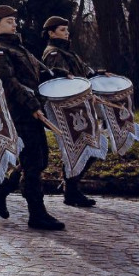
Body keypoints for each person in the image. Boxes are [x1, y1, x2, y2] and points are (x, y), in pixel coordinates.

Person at [0, 5, 68, 231]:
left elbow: (42, 72)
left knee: (38, 160)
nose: (14, 24)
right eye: (9, 21)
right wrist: (31, 105)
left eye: (13, 21)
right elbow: (8, 84)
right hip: (18, 113)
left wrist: (62, 75)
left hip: (31, 111)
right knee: (33, 162)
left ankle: (0, 191)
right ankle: (36, 214)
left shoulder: (19, 49)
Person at [41, 16, 98, 208]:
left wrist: (98, 74)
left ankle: (71, 188)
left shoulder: (67, 52)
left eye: (67, 30)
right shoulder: (53, 54)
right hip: (67, 110)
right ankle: (71, 190)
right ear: (51, 33)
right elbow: (59, 82)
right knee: (78, 149)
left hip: (77, 106)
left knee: (88, 149)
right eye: (62, 30)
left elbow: (82, 73)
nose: (67, 33)